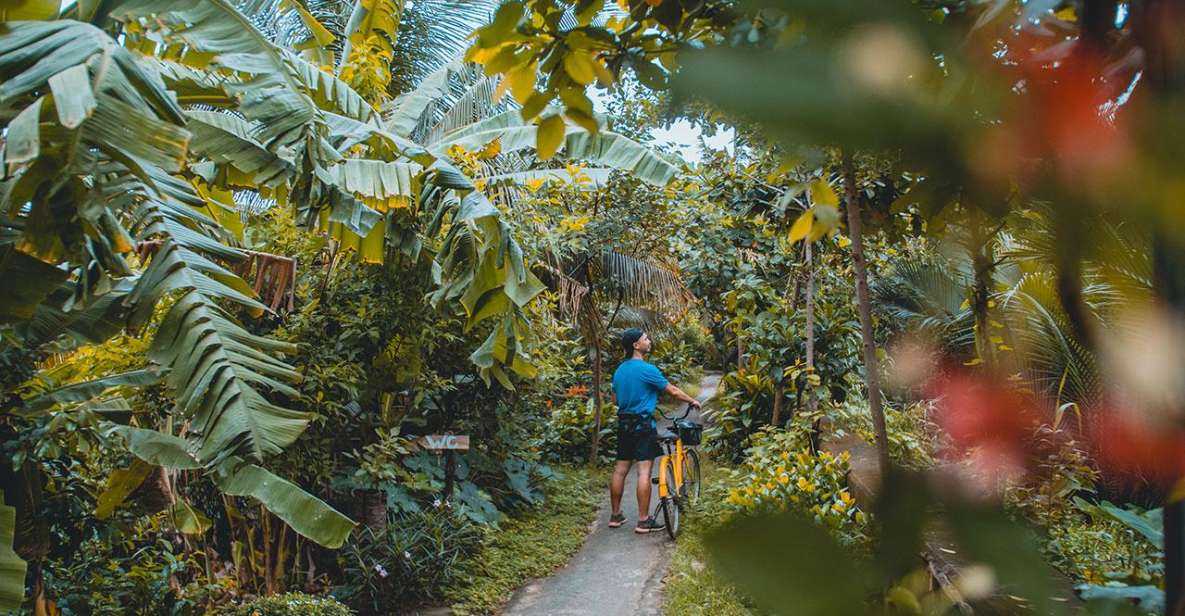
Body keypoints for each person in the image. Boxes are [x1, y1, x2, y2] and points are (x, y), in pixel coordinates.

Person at [608, 328, 701, 533]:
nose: (649, 341)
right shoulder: (647, 369)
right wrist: (692, 400)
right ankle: (643, 520)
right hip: (642, 425)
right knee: (644, 471)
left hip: (623, 424)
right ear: (636, 345)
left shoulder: (620, 370)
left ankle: (615, 516)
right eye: (645, 339)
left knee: (620, 470)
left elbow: (615, 400)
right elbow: (673, 391)